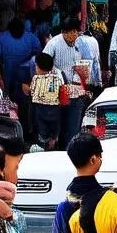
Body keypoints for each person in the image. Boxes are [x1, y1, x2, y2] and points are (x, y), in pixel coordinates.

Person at [44, 17, 85, 146]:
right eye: (71, 32)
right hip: (57, 92)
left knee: (73, 129)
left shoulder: (80, 43)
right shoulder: (53, 44)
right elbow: (43, 64)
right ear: (64, 33)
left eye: (76, 32)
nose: (74, 35)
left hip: (76, 92)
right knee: (57, 128)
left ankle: (71, 154)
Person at [28, 52, 64, 150]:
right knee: (55, 129)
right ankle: (54, 141)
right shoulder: (57, 78)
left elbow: (31, 93)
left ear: (38, 67)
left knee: (42, 134)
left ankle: (44, 146)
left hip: (40, 111)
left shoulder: (35, 79)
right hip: (55, 110)